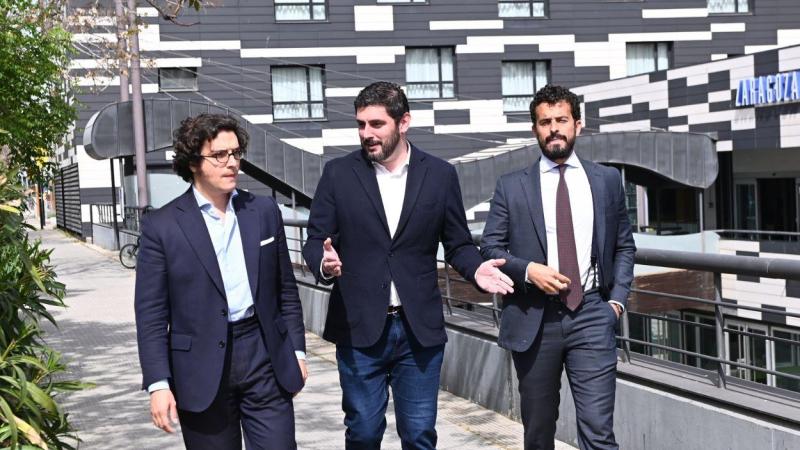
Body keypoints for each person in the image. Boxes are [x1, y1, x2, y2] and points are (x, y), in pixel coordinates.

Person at [302, 81, 514, 450]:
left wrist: (476, 269)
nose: (366, 134)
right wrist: (324, 263)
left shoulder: (440, 175)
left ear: (403, 123)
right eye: (361, 125)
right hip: (358, 328)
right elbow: (315, 240)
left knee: (419, 435)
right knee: (363, 433)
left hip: (418, 331)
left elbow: (458, 244)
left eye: (376, 124)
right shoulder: (338, 173)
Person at [134, 113, 307, 449]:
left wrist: (297, 352)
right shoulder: (162, 226)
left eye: (236, 153)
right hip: (199, 368)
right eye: (219, 155)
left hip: (263, 355)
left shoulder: (263, 211)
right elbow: (151, 314)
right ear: (193, 162)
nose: (232, 163)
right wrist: (158, 383)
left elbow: (285, 289)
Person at [480, 84, 636, 450]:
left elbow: (624, 245)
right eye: (545, 122)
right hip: (534, 320)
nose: (554, 129)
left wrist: (616, 303)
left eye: (561, 120)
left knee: (599, 433)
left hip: (592, 314)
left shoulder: (606, 181)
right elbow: (490, 247)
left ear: (578, 124)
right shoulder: (511, 186)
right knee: (538, 433)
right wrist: (528, 270)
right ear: (535, 129)